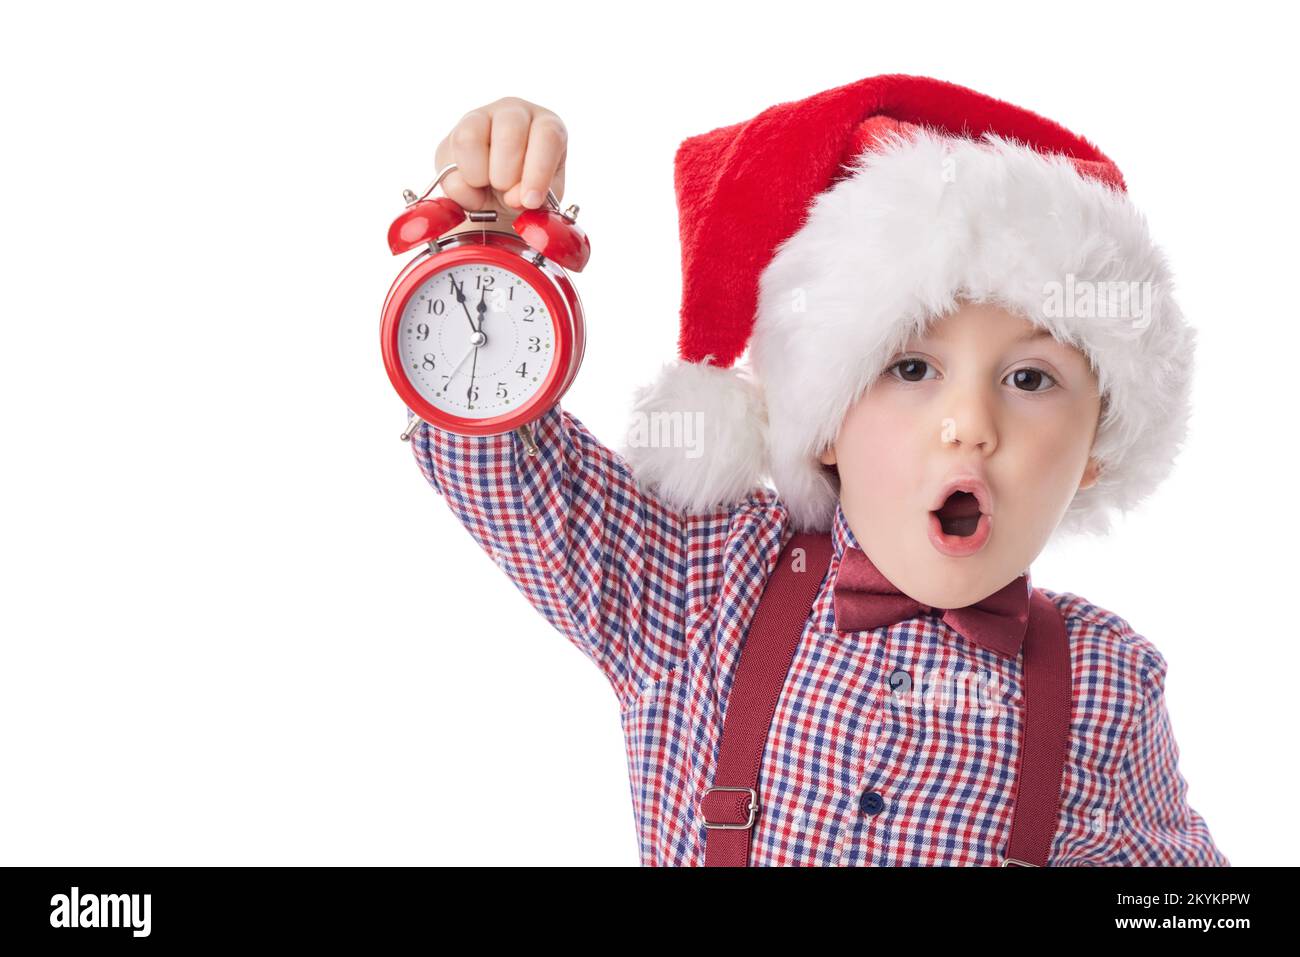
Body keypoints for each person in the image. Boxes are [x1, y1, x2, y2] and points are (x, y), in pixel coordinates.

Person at [406, 77, 1229, 866]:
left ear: (1096, 451)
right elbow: (500, 466)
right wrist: (486, 254)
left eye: (1030, 379)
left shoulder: (1106, 688)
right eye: (911, 369)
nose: (970, 426)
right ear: (823, 415)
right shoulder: (703, 581)